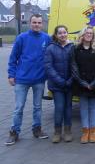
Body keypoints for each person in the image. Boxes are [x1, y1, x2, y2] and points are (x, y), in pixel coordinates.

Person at [5, 14, 51, 146]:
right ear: (30, 23)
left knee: (38, 107)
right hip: (22, 79)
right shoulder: (22, 38)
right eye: (34, 22)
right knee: (19, 107)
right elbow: (13, 58)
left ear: (42, 24)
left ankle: (37, 129)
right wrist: (11, 75)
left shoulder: (46, 38)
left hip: (39, 80)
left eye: (39, 22)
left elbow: (51, 55)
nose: (37, 24)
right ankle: (14, 132)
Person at [71, 26, 95, 144]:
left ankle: (93, 131)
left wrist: (94, 82)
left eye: (91, 33)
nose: (89, 35)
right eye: (87, 32)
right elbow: (74, 68)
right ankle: (85, 131)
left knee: (93, 107)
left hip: (94, 83)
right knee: (83, 108)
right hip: (81, 83)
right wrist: (83, 83)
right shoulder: (75, 49)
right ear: (82, 34)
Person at [44, 25, 74, 143]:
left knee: (68, 108)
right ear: (56, 35)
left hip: (70, 83)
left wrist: (71, 80)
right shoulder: (50, 48)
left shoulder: (72, 47)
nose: (63, 35)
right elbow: (48, 67)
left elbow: (75, 66)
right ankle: (57, 132)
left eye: (64, 32)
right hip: (57, 85)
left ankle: (67, 131)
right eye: (60, 33)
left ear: (67, 33)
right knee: (59, 108)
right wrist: (61, 81)